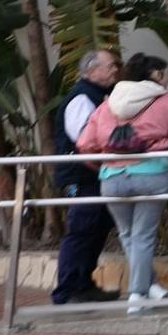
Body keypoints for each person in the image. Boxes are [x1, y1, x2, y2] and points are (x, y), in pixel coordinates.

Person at [77, 57, 168, 313]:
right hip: (150, 174)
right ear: (154, 76)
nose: (166, 79)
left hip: (112, 178)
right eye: (163, 75)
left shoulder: (108, 104)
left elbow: (85, 144)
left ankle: (149, 285)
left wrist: (104, 164)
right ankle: (137, 295)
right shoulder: (166, 101)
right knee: (143, 237)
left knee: (129, 236)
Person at [51, 49, 121, 305]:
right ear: (92, 70)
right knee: (81, 229)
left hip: (97, 174)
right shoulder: (81, 97)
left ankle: (83, 284)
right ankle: (67, 289)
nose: (115, 69)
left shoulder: (101, 95)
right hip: (81, 176)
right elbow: (85, 140)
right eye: (110, 66)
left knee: (97, 229)